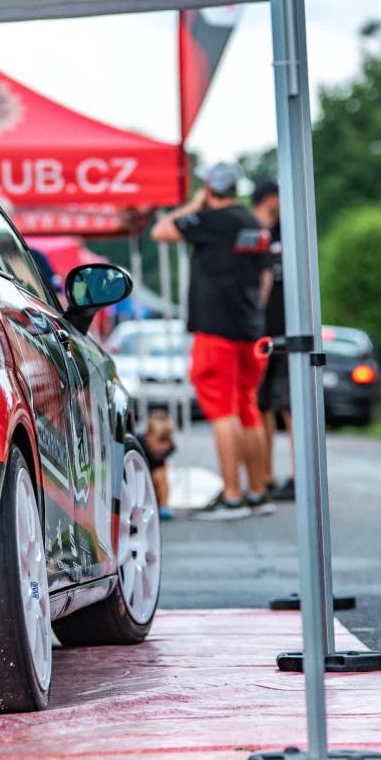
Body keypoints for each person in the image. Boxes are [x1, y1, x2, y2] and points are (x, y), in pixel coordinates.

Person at [150, 162, 275, 519]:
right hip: (251, 330)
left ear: (209, 188)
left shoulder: (209, 220)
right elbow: (265, 278)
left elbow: (161, 231)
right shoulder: (255, 224)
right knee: (247, 408)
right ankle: (257, 492)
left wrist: (195, 203)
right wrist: (252, 314)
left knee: (223, 413)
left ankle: (232, 496)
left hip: (216, 331)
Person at [252, 180, 296, 502]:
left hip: (289, 333)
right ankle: (264, 476)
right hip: (259, 333)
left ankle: (298, 475)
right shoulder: (250, 234)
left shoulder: (289, 232)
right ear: (269, 199)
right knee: (261, 405)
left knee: (291, 405)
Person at [136, 411, 176, 520]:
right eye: (161, 440)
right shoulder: (139, 444)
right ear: (148, 436)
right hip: (139, 479)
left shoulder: (167, 448)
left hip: (153, 482)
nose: (165, 445)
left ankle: (164, 505)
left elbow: (163, 467)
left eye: (168, 440)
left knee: (161, 474)